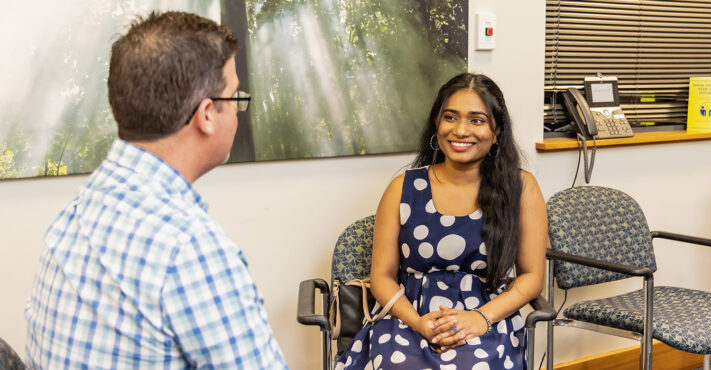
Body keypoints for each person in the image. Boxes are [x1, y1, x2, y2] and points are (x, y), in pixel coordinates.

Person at [25, 11, 288, 369]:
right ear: (207, 114)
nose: (238, 109)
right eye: (234, 96)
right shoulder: (189, 251)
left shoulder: (75, 215)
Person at [336, 73, 547, 369]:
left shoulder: (521, 188)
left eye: (477, 120)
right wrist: (418, 323)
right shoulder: (402, 187)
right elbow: (382, 277)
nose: (461, 130)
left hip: (487, 318)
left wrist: (480, 318)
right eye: (451, 117)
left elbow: (531, 277)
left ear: (496, 131)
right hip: (409, 317)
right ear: (437, 123)